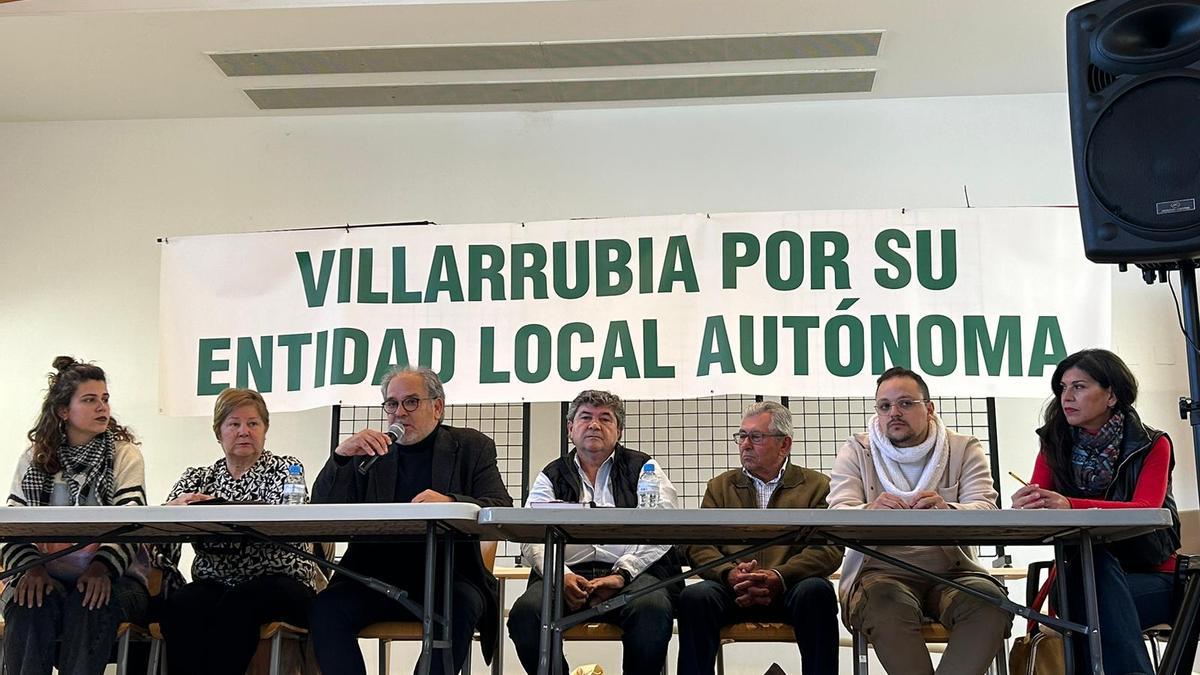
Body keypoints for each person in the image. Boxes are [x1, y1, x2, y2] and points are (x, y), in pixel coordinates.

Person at [308, 365, 512, 675]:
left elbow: (500, 506)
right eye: (392, 403)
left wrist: (450, 503)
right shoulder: (370, 452)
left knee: (462, 605)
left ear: (437, 407)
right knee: (325, 609)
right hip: (372, 575)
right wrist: (340, 458)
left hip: (448, 575)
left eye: (411, 402)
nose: (399, 412)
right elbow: (322, 509)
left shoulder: (471, 447)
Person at [828, 366, 1009, 675]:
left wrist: (948, 511)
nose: (894, 412)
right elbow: (837, 516)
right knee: (885, 606)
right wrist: (870, 511)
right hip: (880, 574)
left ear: (929, 408)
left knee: (990, 603)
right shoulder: (857, 450)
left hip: (955, 573)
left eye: (905, 403)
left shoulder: (963, 448)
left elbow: (986, 511)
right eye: (884, 406)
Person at [1012, 348, 1180, 675]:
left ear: (1112, 395)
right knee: (1091, 575)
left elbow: (1146, 510)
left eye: (1079, 386)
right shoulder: (1054, 442)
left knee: (1090, 601)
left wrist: (1069, 504)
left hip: (1152, 574)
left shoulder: (1152, 444)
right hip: (1081, 576)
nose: (1066, 397)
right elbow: (1040, 512)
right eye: (1062, 388)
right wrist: (1030, 503)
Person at [507, 389, 680, 675]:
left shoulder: (645, 469)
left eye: (605, 419)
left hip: (634, 575)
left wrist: (621, 574)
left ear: (619, 430)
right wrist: (561, 576)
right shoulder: (551, 474)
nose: (594, 425)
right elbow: (531, 535)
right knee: (526, 615)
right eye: (585, 417)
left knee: (651, 608)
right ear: (570, 429)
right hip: (567, 575)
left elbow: (663, 526)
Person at [1, 357, 150, 675]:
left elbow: (131, 525)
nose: (102, 407)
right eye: (90, 400)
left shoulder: (124, 455)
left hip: (117, 578)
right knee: (28, 603)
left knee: (89, 602)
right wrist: (32, 571)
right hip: (47, 575)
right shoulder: (33, 459)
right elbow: (12, 527)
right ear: (63, 411)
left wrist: (101, 569)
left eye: (105, 399)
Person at [158, 387, 322, 675]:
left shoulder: (286, 469)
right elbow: (167, 523)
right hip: (217, 581)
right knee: (182, 605)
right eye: (234, 424)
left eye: (253, 423)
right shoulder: (198, 476)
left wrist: (219, 511)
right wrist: (177, 505)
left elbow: (287, 523)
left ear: (265, 429)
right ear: (218, 432)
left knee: (238, 604)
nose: (244, 431)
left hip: (281, 581)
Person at [678, 401, 843, 675]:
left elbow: (827, 549)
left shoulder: (817, 486)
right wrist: (729, 574)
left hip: (792, 588)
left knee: (817, 592)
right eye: (742, 436)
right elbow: (698, 544)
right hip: (732, 589)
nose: (745, 444)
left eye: (756, 437)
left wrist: (779, 576)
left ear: (785, 444)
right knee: (695, 597)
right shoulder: (719, 487)